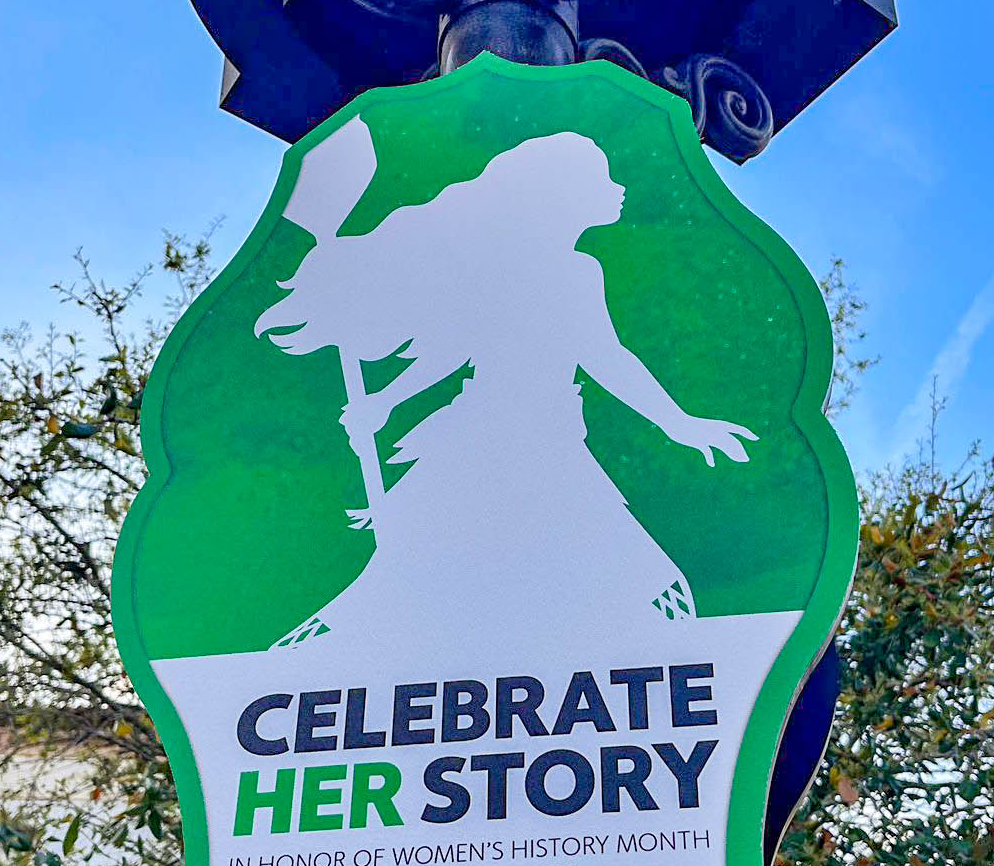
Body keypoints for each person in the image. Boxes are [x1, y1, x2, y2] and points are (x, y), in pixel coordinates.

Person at [253, 129, 755, 645]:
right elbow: (461, 348)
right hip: (498, 446)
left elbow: (606, 357)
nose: (618, 188)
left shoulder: (576, 270)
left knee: (417, 587)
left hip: (542, 441)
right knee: (647, 591)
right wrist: (383, 403)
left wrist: (679, 423)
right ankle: (294, 666)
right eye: (602, 178)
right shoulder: (531, 271)